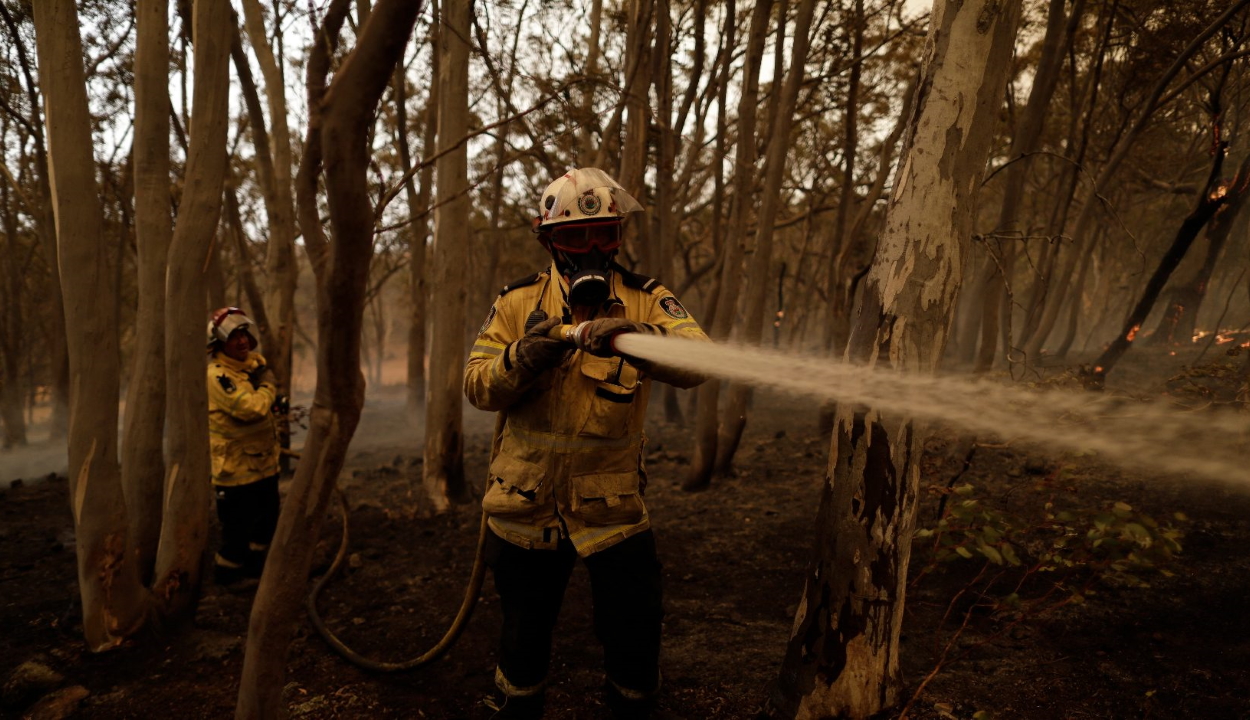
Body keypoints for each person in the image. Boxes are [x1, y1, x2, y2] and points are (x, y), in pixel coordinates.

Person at [464, 168, 708, 719]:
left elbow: (699, 359)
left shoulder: (648, 300)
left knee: (635, 634)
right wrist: (518, 359)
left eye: (606, 235)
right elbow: (476, 385)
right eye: (577, 238)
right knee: (523, 639)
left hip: (613, 508)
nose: (593, 250)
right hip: (524, 508)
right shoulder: (516, 303)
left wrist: (645, 342)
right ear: (549, 240)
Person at [206, 307, 283, 586]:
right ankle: (227, 576)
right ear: (219, 343)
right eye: (233, 336)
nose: (241, 341)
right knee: (237, 529)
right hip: (235, 471)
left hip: (263, 465)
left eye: (243, 334)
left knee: (266, 523)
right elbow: (250, 408)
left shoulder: (249, 367)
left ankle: (255, 571)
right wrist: (268, 387)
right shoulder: (216, 376)